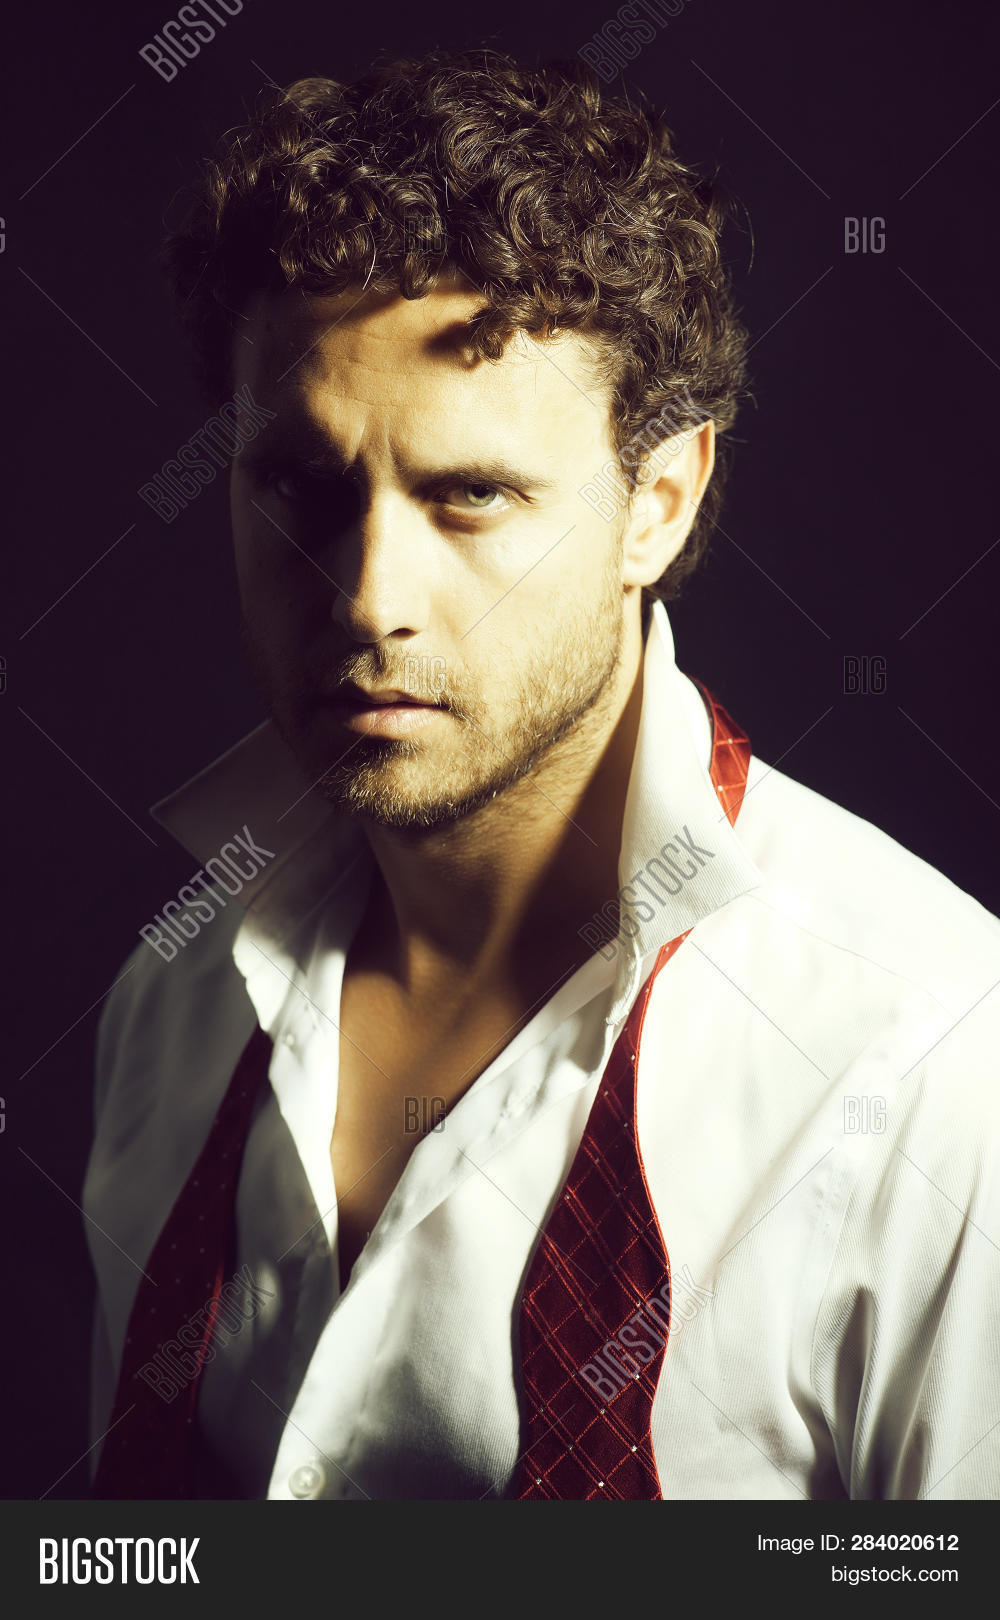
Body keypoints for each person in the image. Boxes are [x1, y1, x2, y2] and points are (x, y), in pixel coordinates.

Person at [84, 47, 1000, 1501]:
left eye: (472, 497)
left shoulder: (933, 1061)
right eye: (303, 488)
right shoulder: (176, 997)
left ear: (659, 504)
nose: (370, 598)